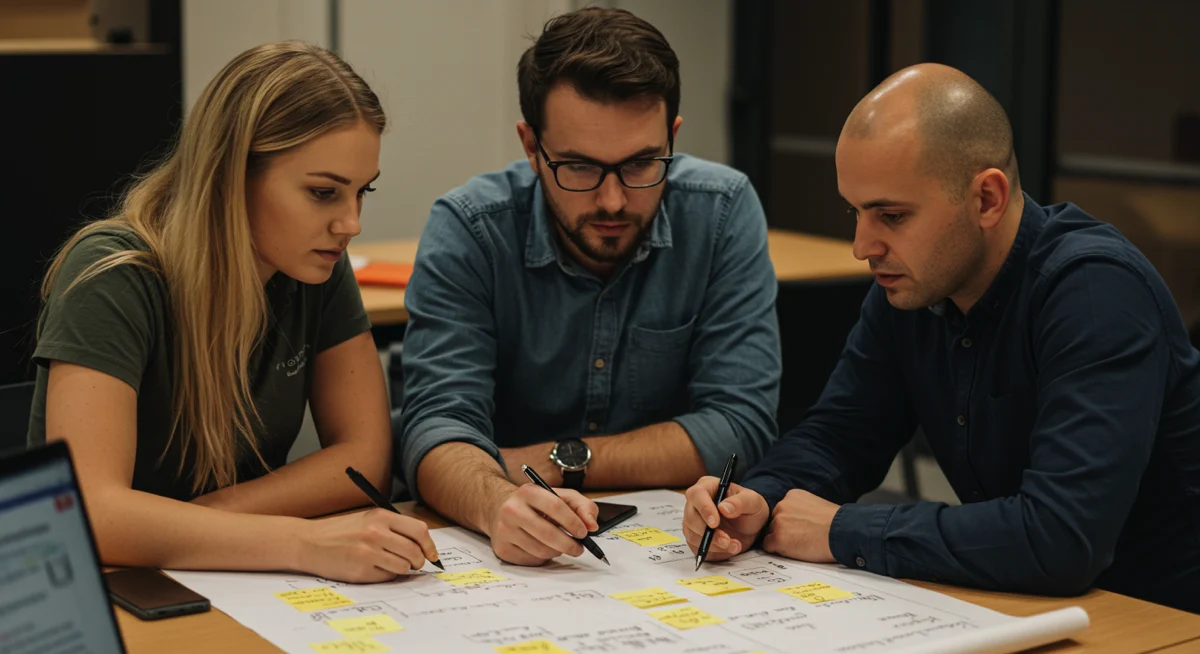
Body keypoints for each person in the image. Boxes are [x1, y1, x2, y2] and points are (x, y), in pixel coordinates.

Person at [683, 63, 1200, 614]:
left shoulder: (1096, 294)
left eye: (892, 215)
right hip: (1031, 607)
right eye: (855, 212)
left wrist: (840, 530)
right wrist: (759, 497)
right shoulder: (914, 287)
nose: (862, 246)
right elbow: (841, 434)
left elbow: (1061, 536)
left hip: (1158, 616)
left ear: (987, 199)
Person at [29, 41, 438, 583]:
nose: (351, 224)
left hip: (221, 572)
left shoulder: (316, 266)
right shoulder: (113, 272)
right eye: (322, 193)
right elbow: (92, 512)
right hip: (98, 584)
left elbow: (362, 460)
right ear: (230, 175)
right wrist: (302, 540)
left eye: (363, 192)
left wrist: (201, 523)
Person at [397, 7, 780, 566]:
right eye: (577, 167)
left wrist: (557, 461)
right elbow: (436, 428)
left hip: (668, 551)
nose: (612, 201)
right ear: (531, 146)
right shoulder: (472, 227)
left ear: (672, 136)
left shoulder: (721, 211)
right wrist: (496, 500)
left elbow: (739, 426)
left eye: (642, 163)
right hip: (506, 550)